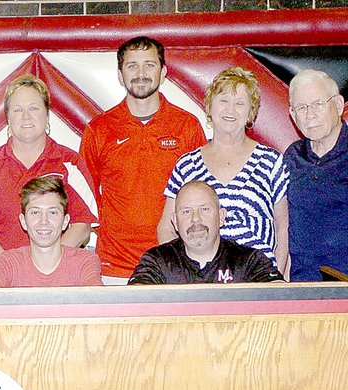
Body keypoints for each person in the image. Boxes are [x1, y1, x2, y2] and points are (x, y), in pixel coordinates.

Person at [80, 36, 206, 284]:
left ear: (163, 72)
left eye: (149, 65)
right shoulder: (99, 129)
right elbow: (84, 200)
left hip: (175, 263)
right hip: (114, 267)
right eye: (132, 66)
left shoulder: (187, 126)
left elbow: (201, 196)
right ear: (120, 74)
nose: (141, 73)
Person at [0, 74, 98, 284]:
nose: (26, 116)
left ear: (47, 115)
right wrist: (14, 273)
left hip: (61, 284)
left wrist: (48, 270)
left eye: (34, 108)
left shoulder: (71, 163)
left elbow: (81, 227)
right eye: (18, 110)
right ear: (7, 117)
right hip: (0, 285)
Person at [157, 67, 290, 276]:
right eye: (223, 101)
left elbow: (283, 231)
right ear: (209, 107)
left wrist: (275, 281)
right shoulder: (186, 164)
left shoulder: (272, 161)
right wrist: (183, 275)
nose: (231, 110)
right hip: (202, 284)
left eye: (240, 103)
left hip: (259, 281)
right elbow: (166, 227)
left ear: (251, 113)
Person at [284, 69, 348, 282]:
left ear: (338, 105)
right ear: (293, 115)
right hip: (305, 291)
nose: (310, 115)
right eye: (302, 108)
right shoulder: (291, 157)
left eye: (318, 104)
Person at [129, 181, 283, 284]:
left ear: (221, 217)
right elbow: (135, 302)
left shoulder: (250, 261)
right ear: (175, 222)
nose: (196, 219)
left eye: (204, 209)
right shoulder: (156, 261)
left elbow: (281, 300)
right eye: (186, 211)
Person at [0, 175, 103, 288]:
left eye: (52, 212)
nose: (44, 221)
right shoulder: (6, 263)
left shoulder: (85, 262)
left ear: (65, 221)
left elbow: (99, 304)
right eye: (35, 213)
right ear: (23, 221)